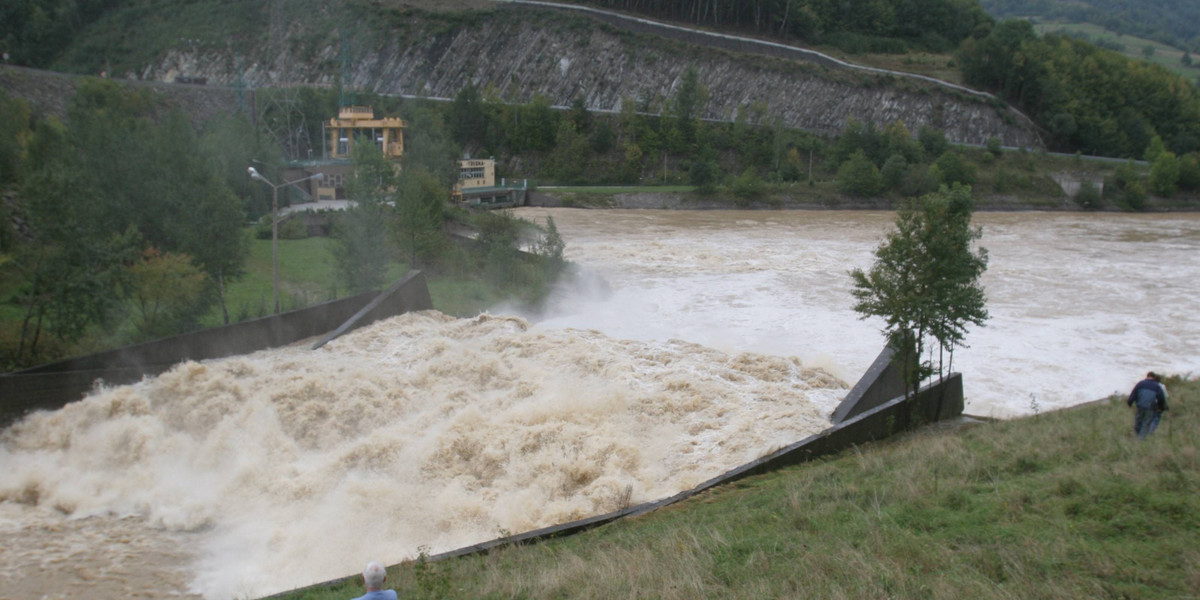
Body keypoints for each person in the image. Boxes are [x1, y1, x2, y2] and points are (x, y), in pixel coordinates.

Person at [1127, 371, 1168, 439]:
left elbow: (1133, 394)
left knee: (1138, 422)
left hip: (1140, 406)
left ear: (1147, 376)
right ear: (1154, 377)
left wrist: (1129, 403)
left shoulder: (1140, 383)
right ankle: (1140, 439)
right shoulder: (1157, 386)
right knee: (1145, 424)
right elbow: (1161, 398)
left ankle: (1136, 437)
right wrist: (1160, 407)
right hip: (1150, 408)